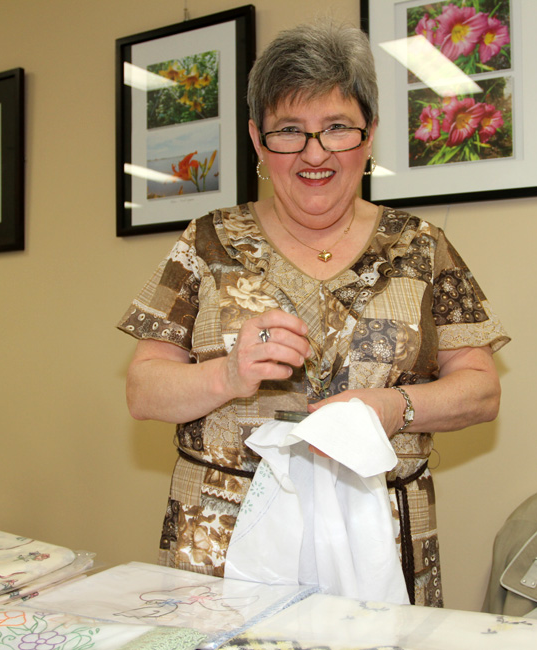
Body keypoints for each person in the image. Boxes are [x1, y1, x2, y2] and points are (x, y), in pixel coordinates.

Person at [118, 19, 509, 607]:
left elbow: (481, 392)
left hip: (380, 535)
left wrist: (396, 406)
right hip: (219, 539)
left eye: (337, 129)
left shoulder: (422, 248)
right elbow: (142, 391)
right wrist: (226, 375)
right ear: (257, 139)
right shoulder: (206, 242)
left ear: (369, 134)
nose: (314, 153)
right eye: (289, 131)